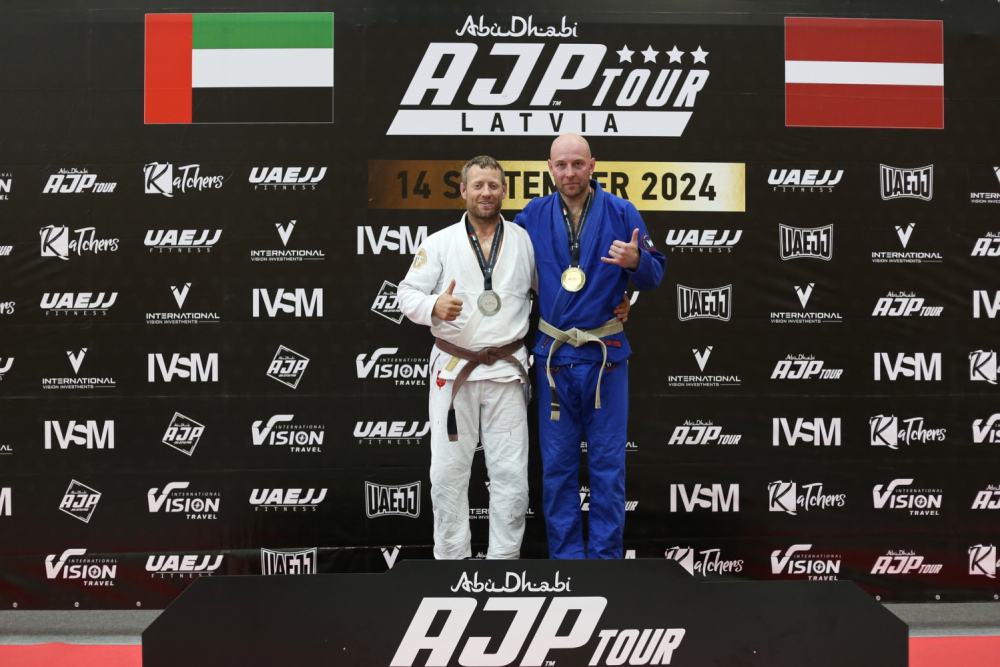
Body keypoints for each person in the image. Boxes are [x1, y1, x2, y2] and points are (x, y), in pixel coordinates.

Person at [513, 133, 665, 559]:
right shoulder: (532, 216)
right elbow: (505, 270)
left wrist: (637, 262)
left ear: (593, 165)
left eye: (578, 164)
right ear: (550, 169)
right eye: (561, 165)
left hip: (605, 357)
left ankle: (605, 563)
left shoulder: (622, 212)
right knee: (557, 468)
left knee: (608, 466)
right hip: (555, 359)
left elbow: (655, 274)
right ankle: (566, 562)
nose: (570, 173)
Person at [397, 156, 535, 560]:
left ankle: (504, 562)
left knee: (511, 475)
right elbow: (406, 294)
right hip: (454, 372)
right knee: (447, 474)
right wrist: (433, 306)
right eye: (477, 185)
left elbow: (556, 291)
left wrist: (612, 304)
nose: (485, 193)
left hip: (506, 373)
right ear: (463, 191)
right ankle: (450, 563)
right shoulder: (439, 242)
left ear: (504, 190)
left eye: (493, 185)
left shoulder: (524, 241)